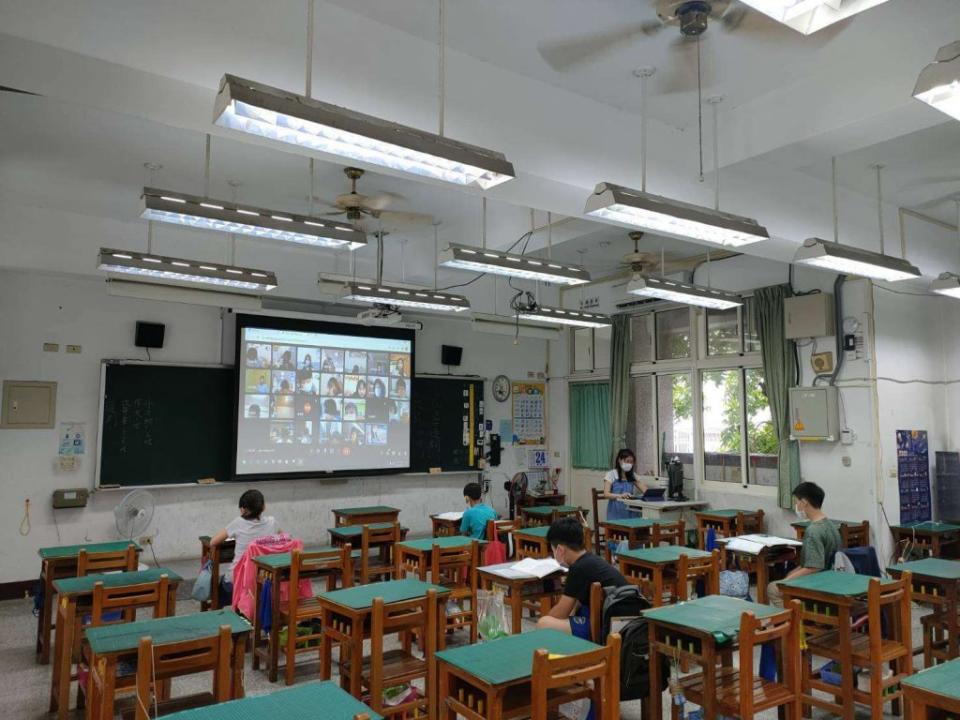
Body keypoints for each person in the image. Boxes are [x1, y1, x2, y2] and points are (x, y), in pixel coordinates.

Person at [537, 517, 626, 639]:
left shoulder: (578, 568)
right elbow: (575, 603)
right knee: (574, 609)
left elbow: (560, 614)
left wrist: (546, 618)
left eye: (552, 550)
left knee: (544, 623)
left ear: (559, 550)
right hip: (621, 622)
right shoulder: (590, 559)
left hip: (607, 627)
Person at [767, 481, 841, 607]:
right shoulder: (831, 525)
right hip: (832, 579)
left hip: (818, 582)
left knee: (772, 588)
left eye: (796, 501)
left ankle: (796, 620)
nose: (796, 505)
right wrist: (793, 573)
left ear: (804, 502)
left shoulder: (814, 531)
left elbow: (814, 567)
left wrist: (786, 581)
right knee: (790, 574)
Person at [208, 490, 279, 605]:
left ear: (242, 509)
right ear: (264, 507)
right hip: (263, 580)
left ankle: (225, 614)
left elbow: (213, 542)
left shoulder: (238, 523)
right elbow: (285, 539)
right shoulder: (272, 522)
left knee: (223, 585)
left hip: (237, 582)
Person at [602, 448, 648, 522]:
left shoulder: (632, 475)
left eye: (631, 462)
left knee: (641, 524)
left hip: (631, 509)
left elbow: (645, 490)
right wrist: (620, 496)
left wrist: (653, 494)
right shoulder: (611, 474)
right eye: (627, 461)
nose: (629, 464)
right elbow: (606, 494)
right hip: (616, 510)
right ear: (619, 460)